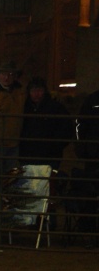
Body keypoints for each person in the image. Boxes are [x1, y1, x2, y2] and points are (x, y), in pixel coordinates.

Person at [19, 77, 73, 171]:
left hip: (50, 154)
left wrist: (57, 145)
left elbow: (67, 127)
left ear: (45, 91)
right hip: (28, 153)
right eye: (33, 91)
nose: (37, 94)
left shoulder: (56, 107)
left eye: (39, 90)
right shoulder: (23, 107)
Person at [73, 88, 99, 239]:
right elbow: (80, 123)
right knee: (90, 191)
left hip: (92, 151)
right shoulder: (92, 100)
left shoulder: (93, 99)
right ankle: (89, 230)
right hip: (93, 154)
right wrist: (82, 147)